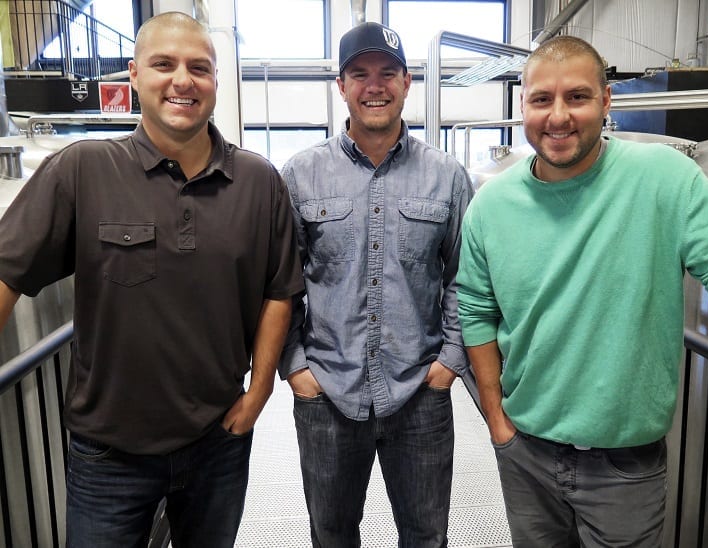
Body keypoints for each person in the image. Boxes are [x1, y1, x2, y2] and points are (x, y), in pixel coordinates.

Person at [457, 35, 708, 547]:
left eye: (577, 96)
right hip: (525, 453)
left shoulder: (665, 179)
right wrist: (495, 419)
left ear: (606, 100)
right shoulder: (491, 205)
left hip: (623, 468)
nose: (558, 116)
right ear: (523, 104)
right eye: (542, 99)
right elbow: (475, 308)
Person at [0, 12, 304, 548]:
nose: (183, 80)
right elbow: (7, 274)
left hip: (217, 441)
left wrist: (258, 394)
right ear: (135, 75)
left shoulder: (258, 181)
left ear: (215, 81)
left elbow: (279, 291)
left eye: (199, 68)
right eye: (164, 64)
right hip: (108, 455)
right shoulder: (82, 170)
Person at [278, 21, 474, 548]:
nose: (375, 86)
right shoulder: (300, 175)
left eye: (388, 72)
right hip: (327, 393)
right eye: (360, 74)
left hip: (420, 393)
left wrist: (448, 363)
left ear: (407, 82)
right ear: (341, 85)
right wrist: (295, 368)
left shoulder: (447, 177)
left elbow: (466, 278)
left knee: (426, 535)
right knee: (332, 534)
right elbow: (281, 283)